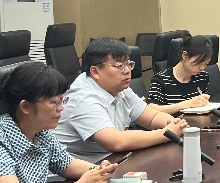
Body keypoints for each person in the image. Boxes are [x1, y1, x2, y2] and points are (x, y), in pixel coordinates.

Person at [53, 37, 188, 162]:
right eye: (119, 66)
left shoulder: (119, 88)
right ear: (95, 72)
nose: (127, 70)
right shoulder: (83, 99)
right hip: (76, 173)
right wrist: (167, 133)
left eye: (129, 64)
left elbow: (152, 118)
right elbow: (116, 142)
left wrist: (173, 123)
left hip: (109, 162)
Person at [146, 32, 213, 115]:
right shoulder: (161, 80)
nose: (202, 67)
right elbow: (151, 109)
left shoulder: (202, 77)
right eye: (199, 62)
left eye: (206, 63)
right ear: (184, 55)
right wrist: (187, 104)